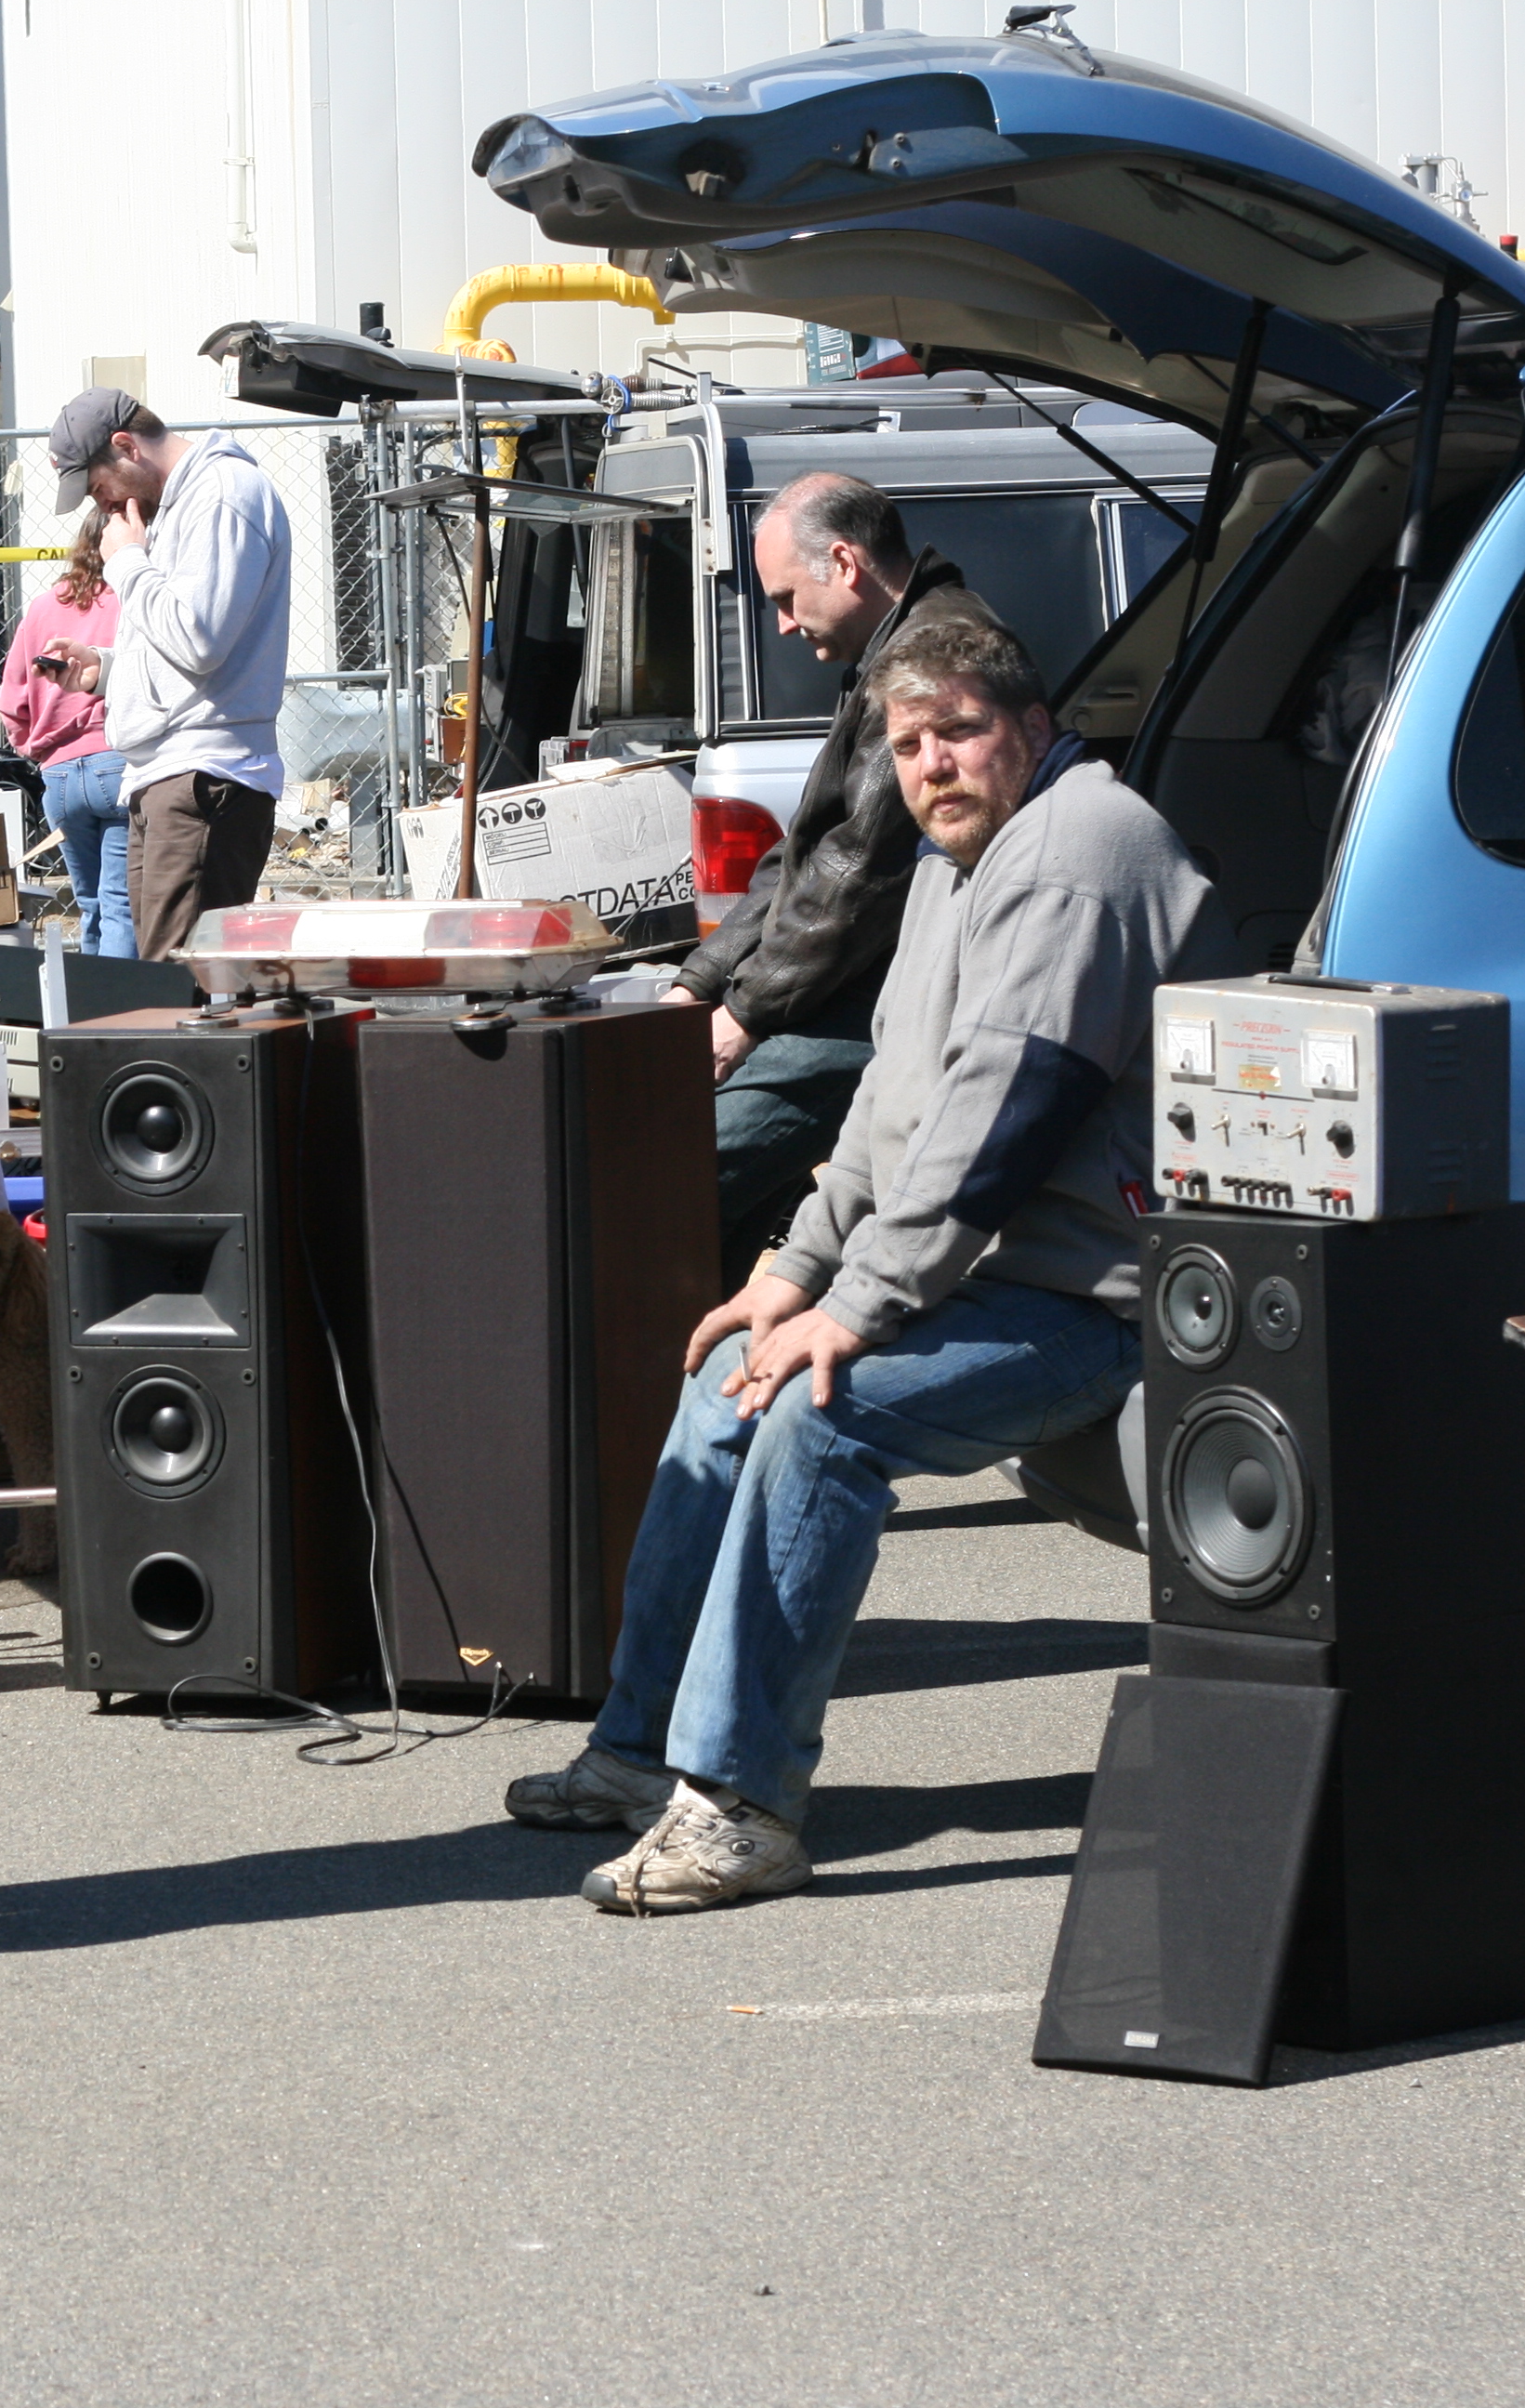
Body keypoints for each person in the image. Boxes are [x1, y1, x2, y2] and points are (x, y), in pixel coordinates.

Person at [505, 614, 1234, 1912]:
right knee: (731, 1371)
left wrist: (855, 1309)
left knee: (821, 1415)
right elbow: (893, 1108)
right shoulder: (963, 860)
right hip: (988, 1272)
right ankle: (641, 1752)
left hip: (1104, 1294)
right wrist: (790, 1277)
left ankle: (742, 1808)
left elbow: (1000, 1125)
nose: (931, 765)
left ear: (1033, 725)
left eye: (959, 731)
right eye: (906, 744)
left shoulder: (1079, 854)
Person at [668, 472, 1007, 1293]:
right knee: (714, 1201)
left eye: (787, 599)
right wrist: (700, 983)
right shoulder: (899, 644)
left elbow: (856, 875)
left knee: (674, 1174)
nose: (784, 624)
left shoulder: (931, 653)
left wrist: (743, 1013)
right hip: (857, 983)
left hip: (883, 995)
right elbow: (806, 854)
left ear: (846, 564)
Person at [31, 388, 292, 960]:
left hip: (203, 773)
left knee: (179, 982)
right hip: (168, 772)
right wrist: (106, 669)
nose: (101, 504)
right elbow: (184, 638)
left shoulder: (222, 494)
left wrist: (127, 562)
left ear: (126, 446)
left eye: (98, 486)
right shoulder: (177, 504)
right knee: (160, 974)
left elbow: (199, 639)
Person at [0, 520, 132, 956]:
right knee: (122, 905)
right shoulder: (135, 596)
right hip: (118, 760)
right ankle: (123, 1000)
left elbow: (11, 702)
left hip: (58, 775)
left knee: (90, 905)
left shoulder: (42, 607)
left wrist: (35, 747)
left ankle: (88, 999)